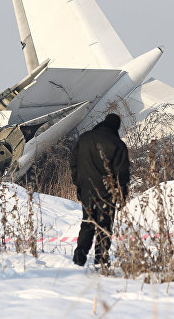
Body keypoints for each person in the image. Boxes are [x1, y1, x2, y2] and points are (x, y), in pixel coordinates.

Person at [70, 113, 130, 270]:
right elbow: (122, 174)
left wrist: (78, 185)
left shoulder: (84, 138)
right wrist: (122, 195)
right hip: (107, 192)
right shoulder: (117, 144)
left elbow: (74, 163)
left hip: (86, 189)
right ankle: (101, 258)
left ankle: (79, 257)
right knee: (104, 225)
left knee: (88, 222)